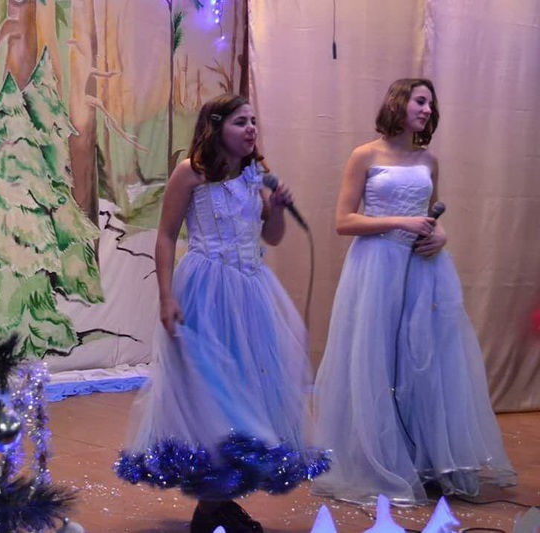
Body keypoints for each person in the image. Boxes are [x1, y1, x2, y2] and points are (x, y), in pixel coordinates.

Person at [115, 93, 328, 533]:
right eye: (240, 122)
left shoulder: (255, 175)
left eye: (253, 121)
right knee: (213, 390)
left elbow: (271, 236)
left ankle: (217, 503)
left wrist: (278, 208)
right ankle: (213, 505)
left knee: (244, 389)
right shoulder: (191, 173)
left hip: (250, 291)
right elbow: (166, 236)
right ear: (216, 127)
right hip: (206, 289)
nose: (251, 129)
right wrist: (166, 296)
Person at [312, 78, 516, 506]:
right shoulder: (365, 155)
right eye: (420, 101)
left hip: (424, 268)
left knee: (422, 359)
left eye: (430, 104)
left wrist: (440, 235)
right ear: (398, 102)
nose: (426, 109)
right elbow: (344, 221)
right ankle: (379, 459)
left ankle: (424, 460)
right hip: (376, 266)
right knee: (377, 357)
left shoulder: (429, 160)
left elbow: (431, 217)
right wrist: (400, 222)